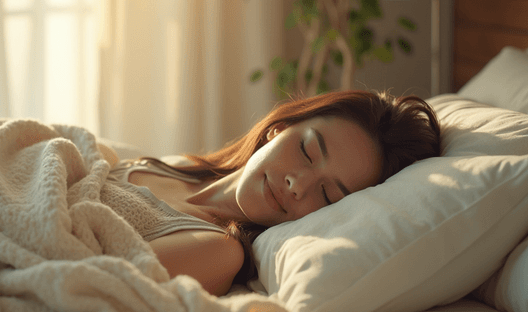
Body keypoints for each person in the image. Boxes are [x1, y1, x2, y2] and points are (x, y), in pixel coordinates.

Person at [104, 89, 441, 296]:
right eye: (308, 151)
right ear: (278, 129)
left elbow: (92, 274)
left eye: (327, 196)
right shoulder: (163, 165)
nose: (298, 184)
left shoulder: (218, 251)